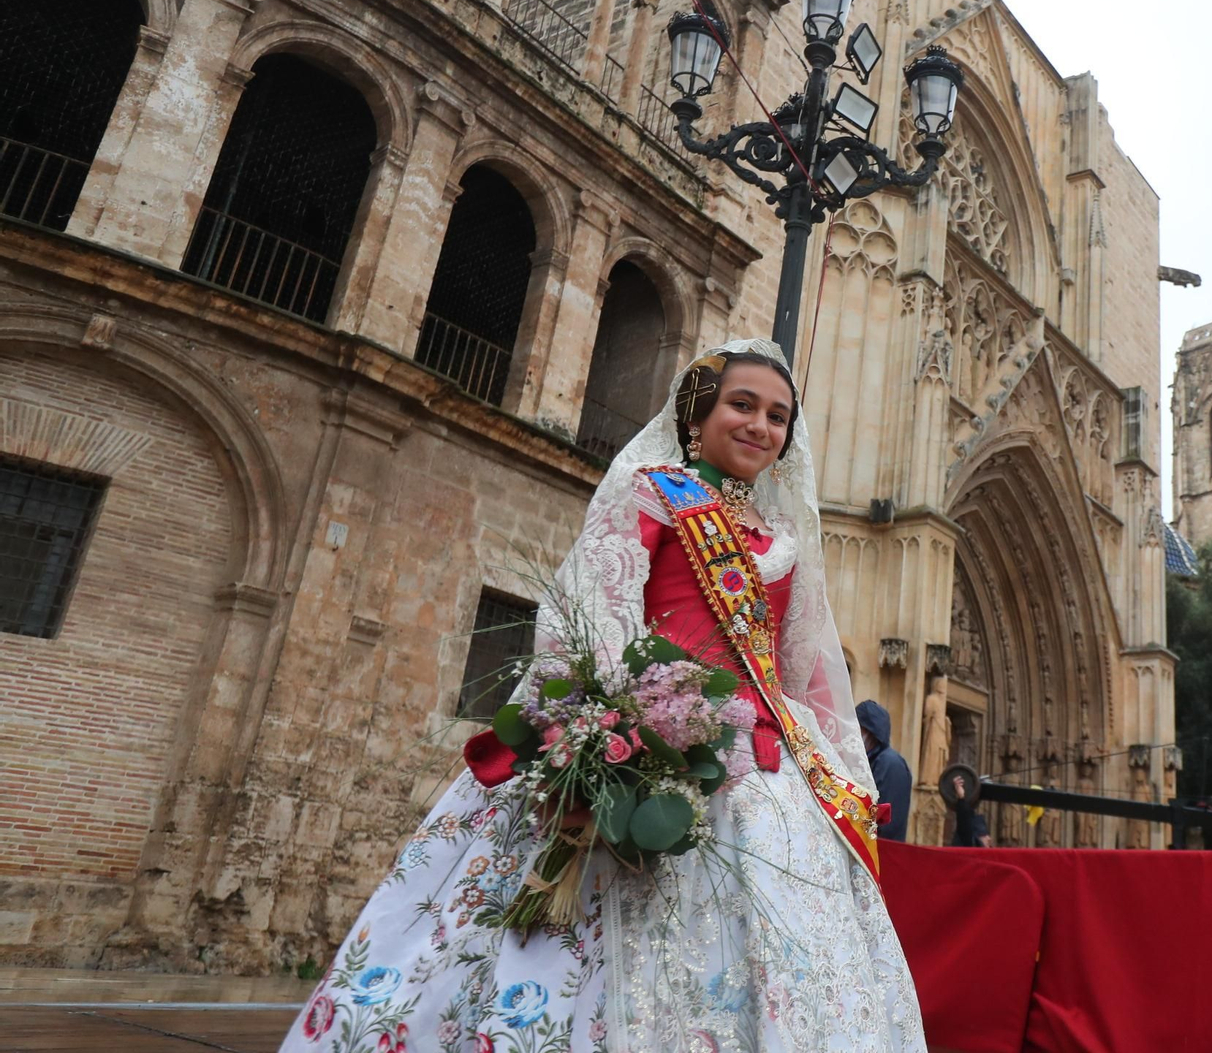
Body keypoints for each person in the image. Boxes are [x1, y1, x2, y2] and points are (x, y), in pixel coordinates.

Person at [279, 340, 925, 1052]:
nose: (760, 426)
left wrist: (827, 761)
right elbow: (596, 607)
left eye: (778, 416)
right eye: (742, 404)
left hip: (765, 768)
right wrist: (622, 722)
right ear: (697, 413)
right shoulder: (652, 491)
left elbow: (799, 666)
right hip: (659, 734)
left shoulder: (786, 539)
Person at [856, 699, 913, 842]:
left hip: (882, 852)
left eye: (857, 728)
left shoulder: (890, 763)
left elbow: (887, 822)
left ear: (869, 731)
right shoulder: (867, 761)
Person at [945, 770, 992, 847]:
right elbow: (964, 824)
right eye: (984, 835)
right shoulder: (970, 843)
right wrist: (961, 797)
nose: (989, 839)